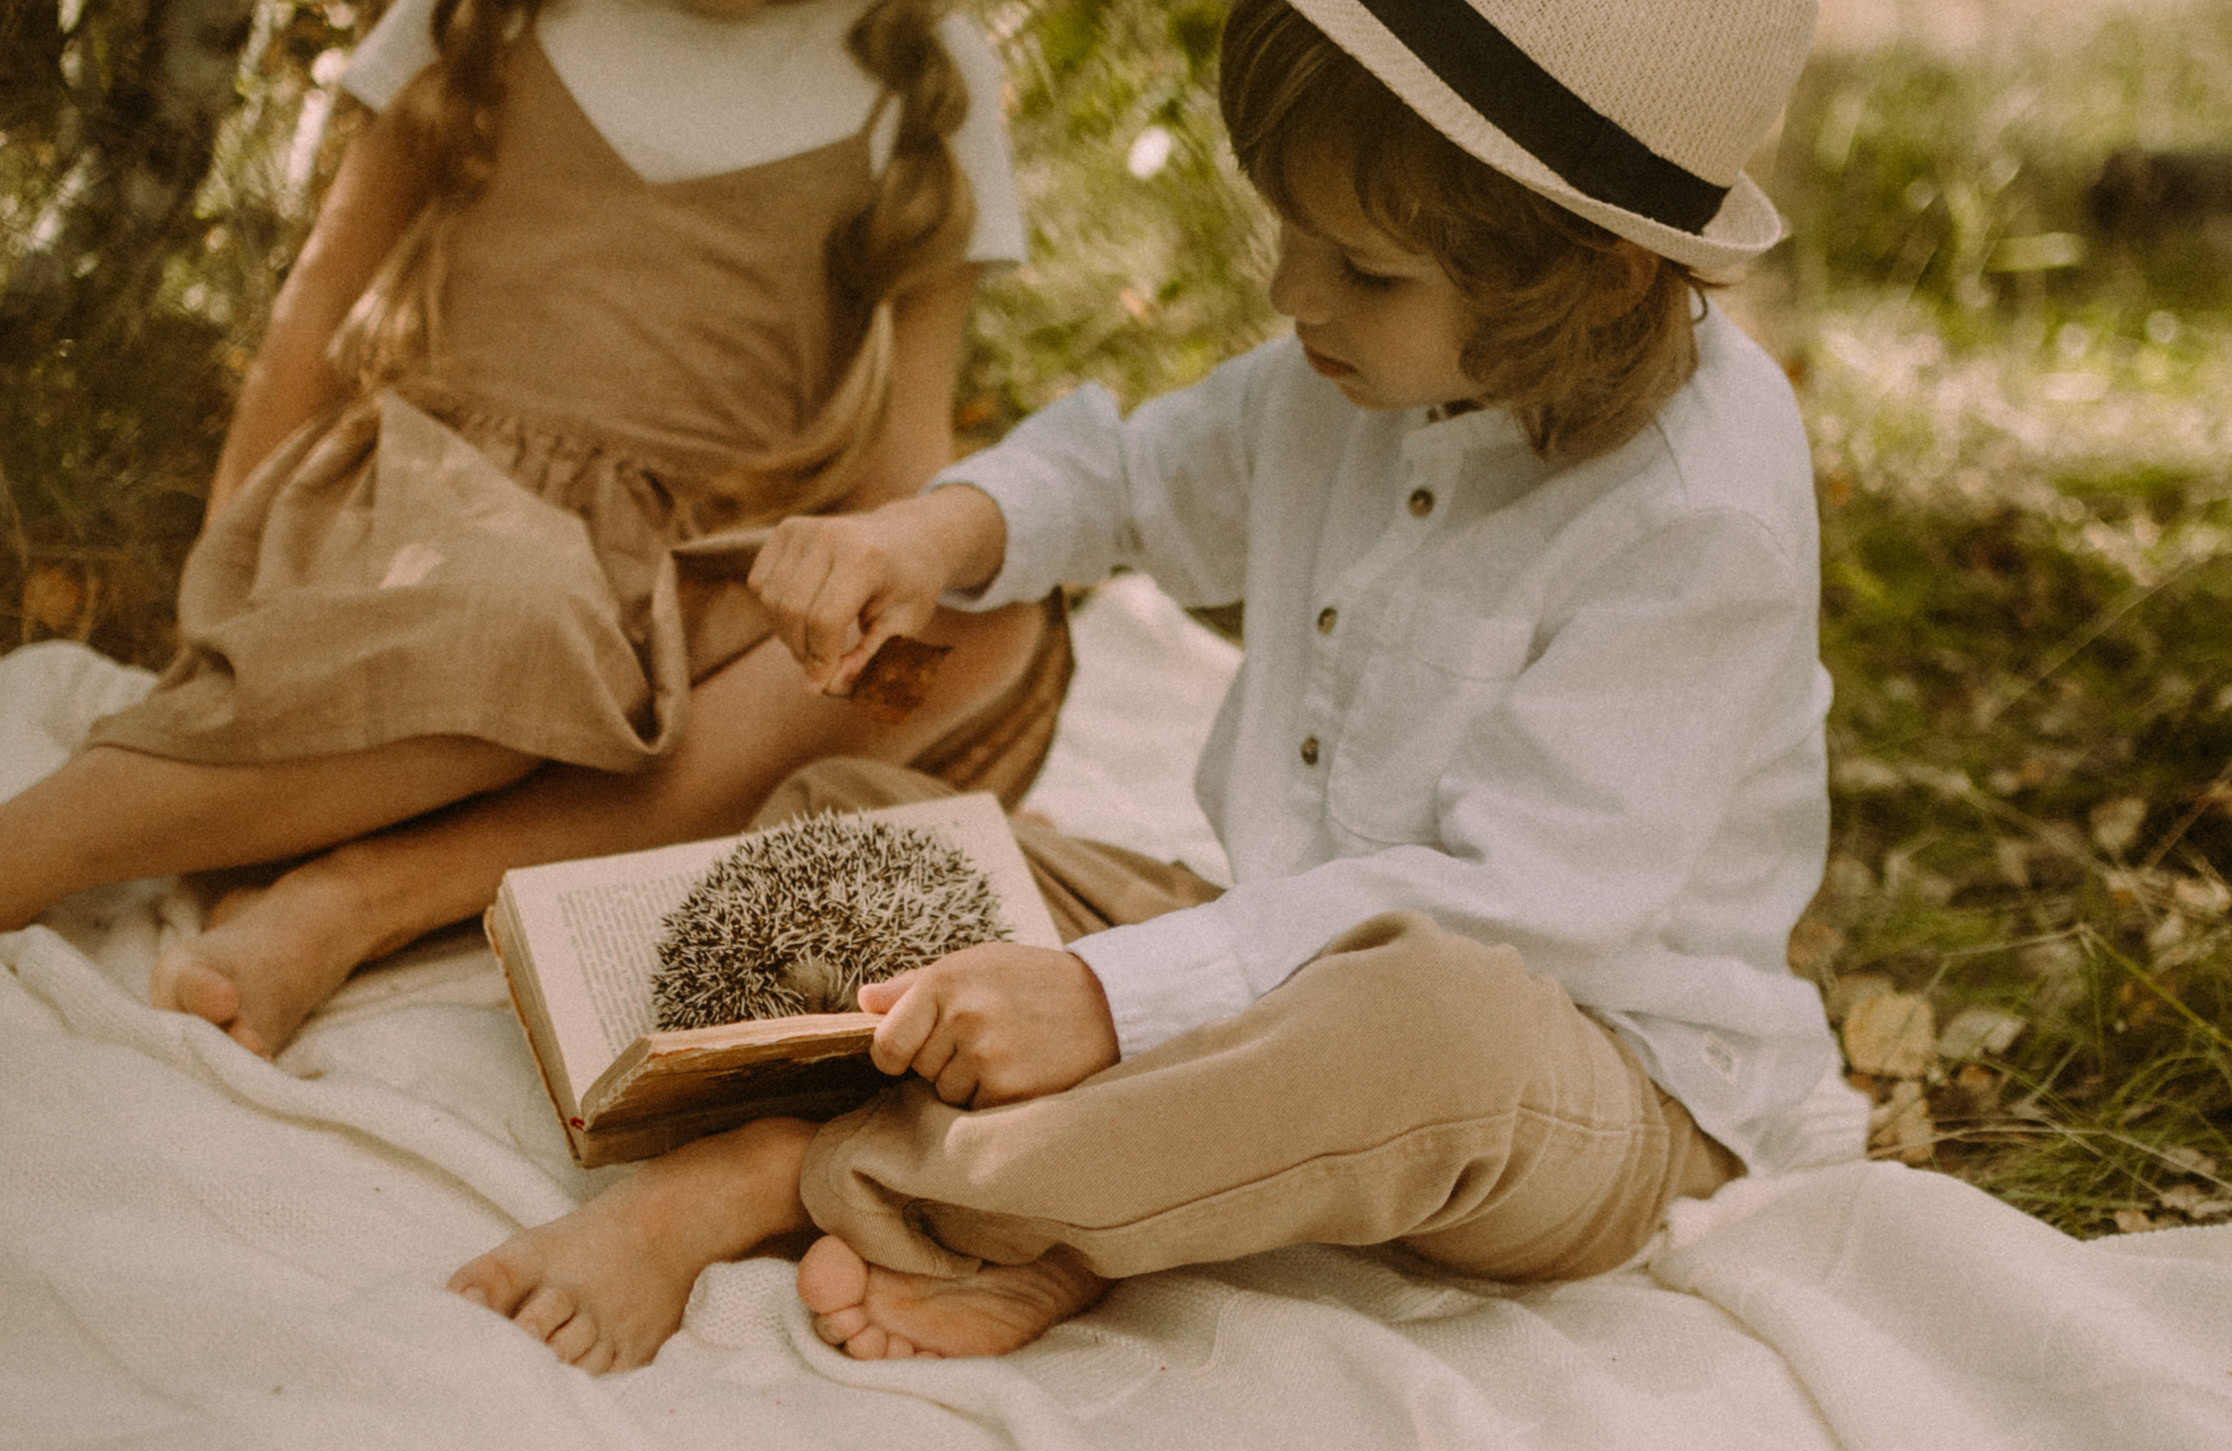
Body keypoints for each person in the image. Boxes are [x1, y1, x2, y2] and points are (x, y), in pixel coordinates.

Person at [449, 0, 1840, 1373]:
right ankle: (1078, 1205)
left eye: (1361, 268)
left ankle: (801, 1174)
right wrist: (929, 534)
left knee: (1420, 1028)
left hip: (1579, 1067)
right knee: (853, 819)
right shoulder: (1355, 368)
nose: (1297, 294)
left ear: (1592, 281)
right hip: (1268, 953)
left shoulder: (1702, 512)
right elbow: (1131, 476)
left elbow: (1526, 906)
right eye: (1292, 235)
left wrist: (1114, 997)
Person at [0, 0, 1069, 1056]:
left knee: (984, 619)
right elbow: (319, 302)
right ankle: (39, 844)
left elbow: (905, 474)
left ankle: (358, 897)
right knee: (524, 617)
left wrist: (872, 612)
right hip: (430, 511)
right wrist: (223, 596)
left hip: (681, 579)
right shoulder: (488, 17)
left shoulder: (924, 72)